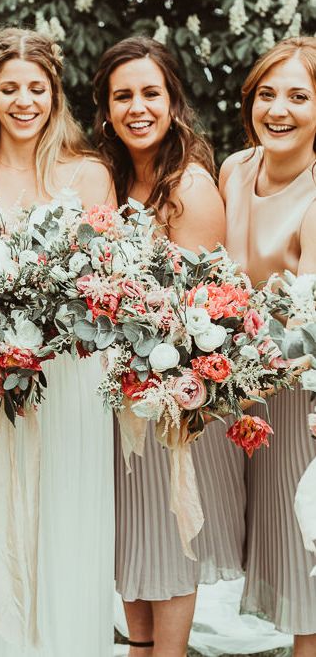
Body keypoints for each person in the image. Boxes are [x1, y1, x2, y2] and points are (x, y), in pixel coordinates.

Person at [0, 27, 116, 656]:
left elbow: (109, 283)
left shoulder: (87, 175)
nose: (23, 100)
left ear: (54, 95)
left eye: (37, 88)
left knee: (62, 523)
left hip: (67, 381)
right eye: (10, 88)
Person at [92, 36, 246, 656]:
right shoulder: (108, 179)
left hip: (170, 401)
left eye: (150, 93)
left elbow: (203, 311)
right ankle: (140, 647)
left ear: (173, 102)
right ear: (105, 107)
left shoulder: (191, 188)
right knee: (132, 537)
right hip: (115, 393)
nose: (137, 107)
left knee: (168, 537)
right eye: (122, 95)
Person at [220, 36, 316, 657]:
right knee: (274, 542)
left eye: (299, 96)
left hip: (297, 391)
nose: (278, 109)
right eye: (266, 94)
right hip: (238, 388)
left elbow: (309, 318)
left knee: (306, 550)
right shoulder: (234, 168)